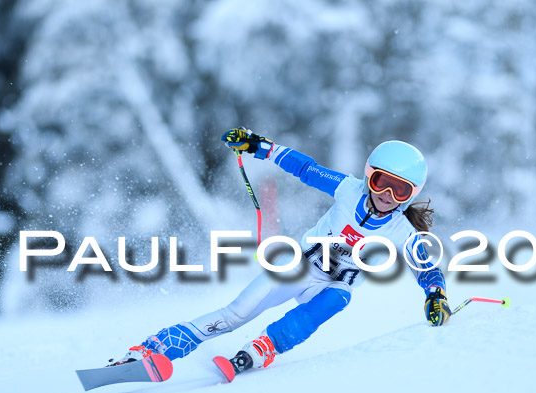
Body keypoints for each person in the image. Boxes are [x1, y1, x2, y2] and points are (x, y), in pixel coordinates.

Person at [110, 128, 451, 378]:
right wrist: (260, 147)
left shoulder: (402, 231)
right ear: (368, 177)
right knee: (234, 314)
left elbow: (426, 266)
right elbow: (305, 168)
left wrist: (436, 294)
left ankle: (265, 348)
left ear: (411, 194)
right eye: (381, 182)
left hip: (330, 287)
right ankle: (151, 350)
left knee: (339, 298)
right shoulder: (347, 190)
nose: (388, 194)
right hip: (300, 268)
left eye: (400, 189)